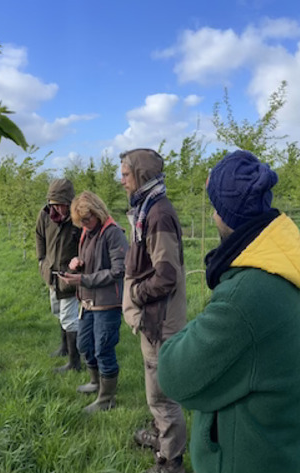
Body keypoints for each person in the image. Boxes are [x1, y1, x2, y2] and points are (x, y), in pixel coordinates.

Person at [157, 150, 300, 473]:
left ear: (225, 216)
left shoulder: (245, 296)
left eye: (215, 207)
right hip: (271, 452)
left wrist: (188, 329)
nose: (212, 216)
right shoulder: (274, 265)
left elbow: (173, 374)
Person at [119, 148, 190, 473]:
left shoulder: (158, 214)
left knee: (163, 395)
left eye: (126, 175)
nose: (122, 182)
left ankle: (170, 460)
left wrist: (135, 293)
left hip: (160, 319)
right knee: (154, 386)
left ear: (142, 176)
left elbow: (166, 275)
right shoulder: (147, 209)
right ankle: (160, 436)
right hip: (153, 317)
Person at [58, 190, 126, 413]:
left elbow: (118, 270)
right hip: (87, 301)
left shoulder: (114, 234)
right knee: (84, 344)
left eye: (87, 219)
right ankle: (95, 382)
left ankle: (107, 398)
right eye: (81, 222)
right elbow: (92, 261)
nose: (85, 225)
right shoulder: (87, 233)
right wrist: (77, 263)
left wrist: (83, 279)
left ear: (98, 211)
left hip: (108, 303)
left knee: (103, 348)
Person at [37, 178, 84, 371]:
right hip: (52, 274)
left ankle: (75, 362)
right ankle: (64, 347)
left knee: (69, 316)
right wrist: (42, 261)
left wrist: (79, 266)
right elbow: (39, 235)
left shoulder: (78, 218)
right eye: (54, 204)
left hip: (70, 276)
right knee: (58, 312)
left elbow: (87, 243)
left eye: (62, 205)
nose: (58, 209)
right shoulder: (45, 215)